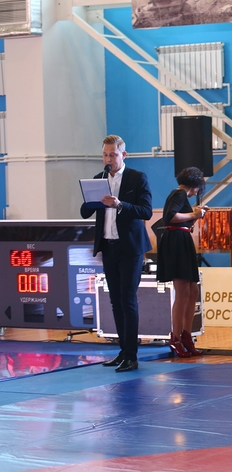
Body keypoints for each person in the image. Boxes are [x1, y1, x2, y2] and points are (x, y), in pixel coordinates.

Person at [80, 135, 152, 372]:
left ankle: (131, 355)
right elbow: (85, 212)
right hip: (109, 247)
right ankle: (123, 351)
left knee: (127, 300)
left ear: (123, 155)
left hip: (130, 248)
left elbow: (146, 211)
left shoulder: (137, 177)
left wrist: (119, 204)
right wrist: (90, 199)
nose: (108, 159)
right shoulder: (99, 179)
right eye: (105, 155)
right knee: (115, 301)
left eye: (112, 154)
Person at [157, 166, 206, 358]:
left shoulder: (179, 196)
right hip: (177, 243)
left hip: (182, 240)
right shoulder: (178, 194)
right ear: (195, 185)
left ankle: (186, 335)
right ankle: (176, 337)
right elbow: (170, 217)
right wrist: (194, 215)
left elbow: (179, 219)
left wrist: (193, 216)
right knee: (183, 291)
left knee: (192, 291)